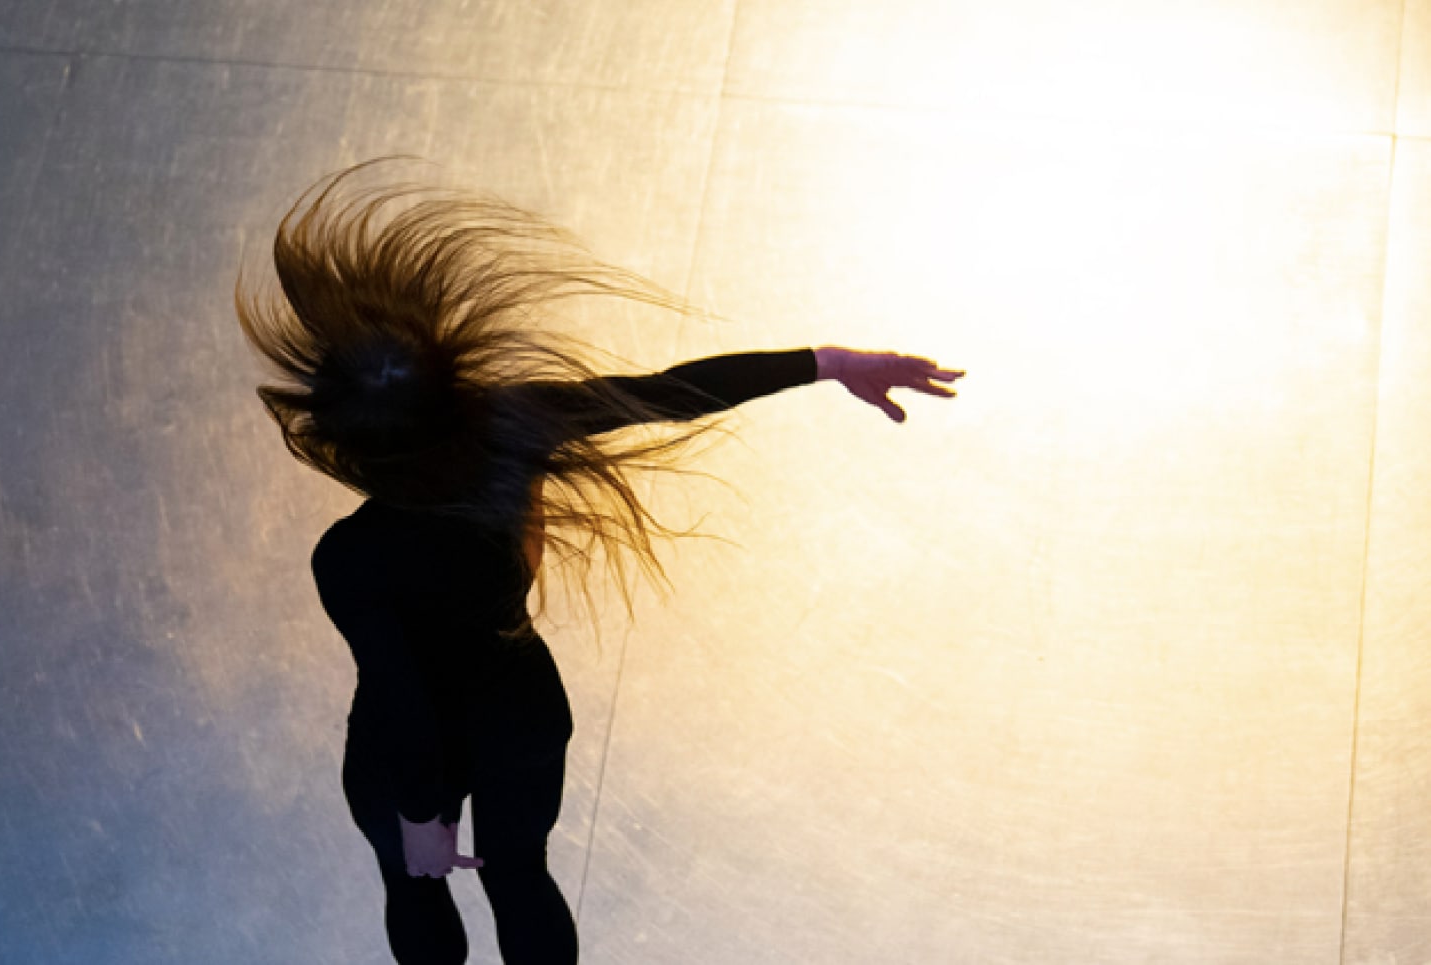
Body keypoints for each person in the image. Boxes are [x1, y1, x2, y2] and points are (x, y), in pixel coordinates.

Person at [236, 158, 964, 965]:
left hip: (409, 745)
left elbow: (401, 693)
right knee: (520, 872)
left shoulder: (347, 558)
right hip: (515, 708)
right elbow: (670, 391)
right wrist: (825, 362)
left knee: (412, 885)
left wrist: (418, 818)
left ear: (346, 443)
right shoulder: (518, 424)